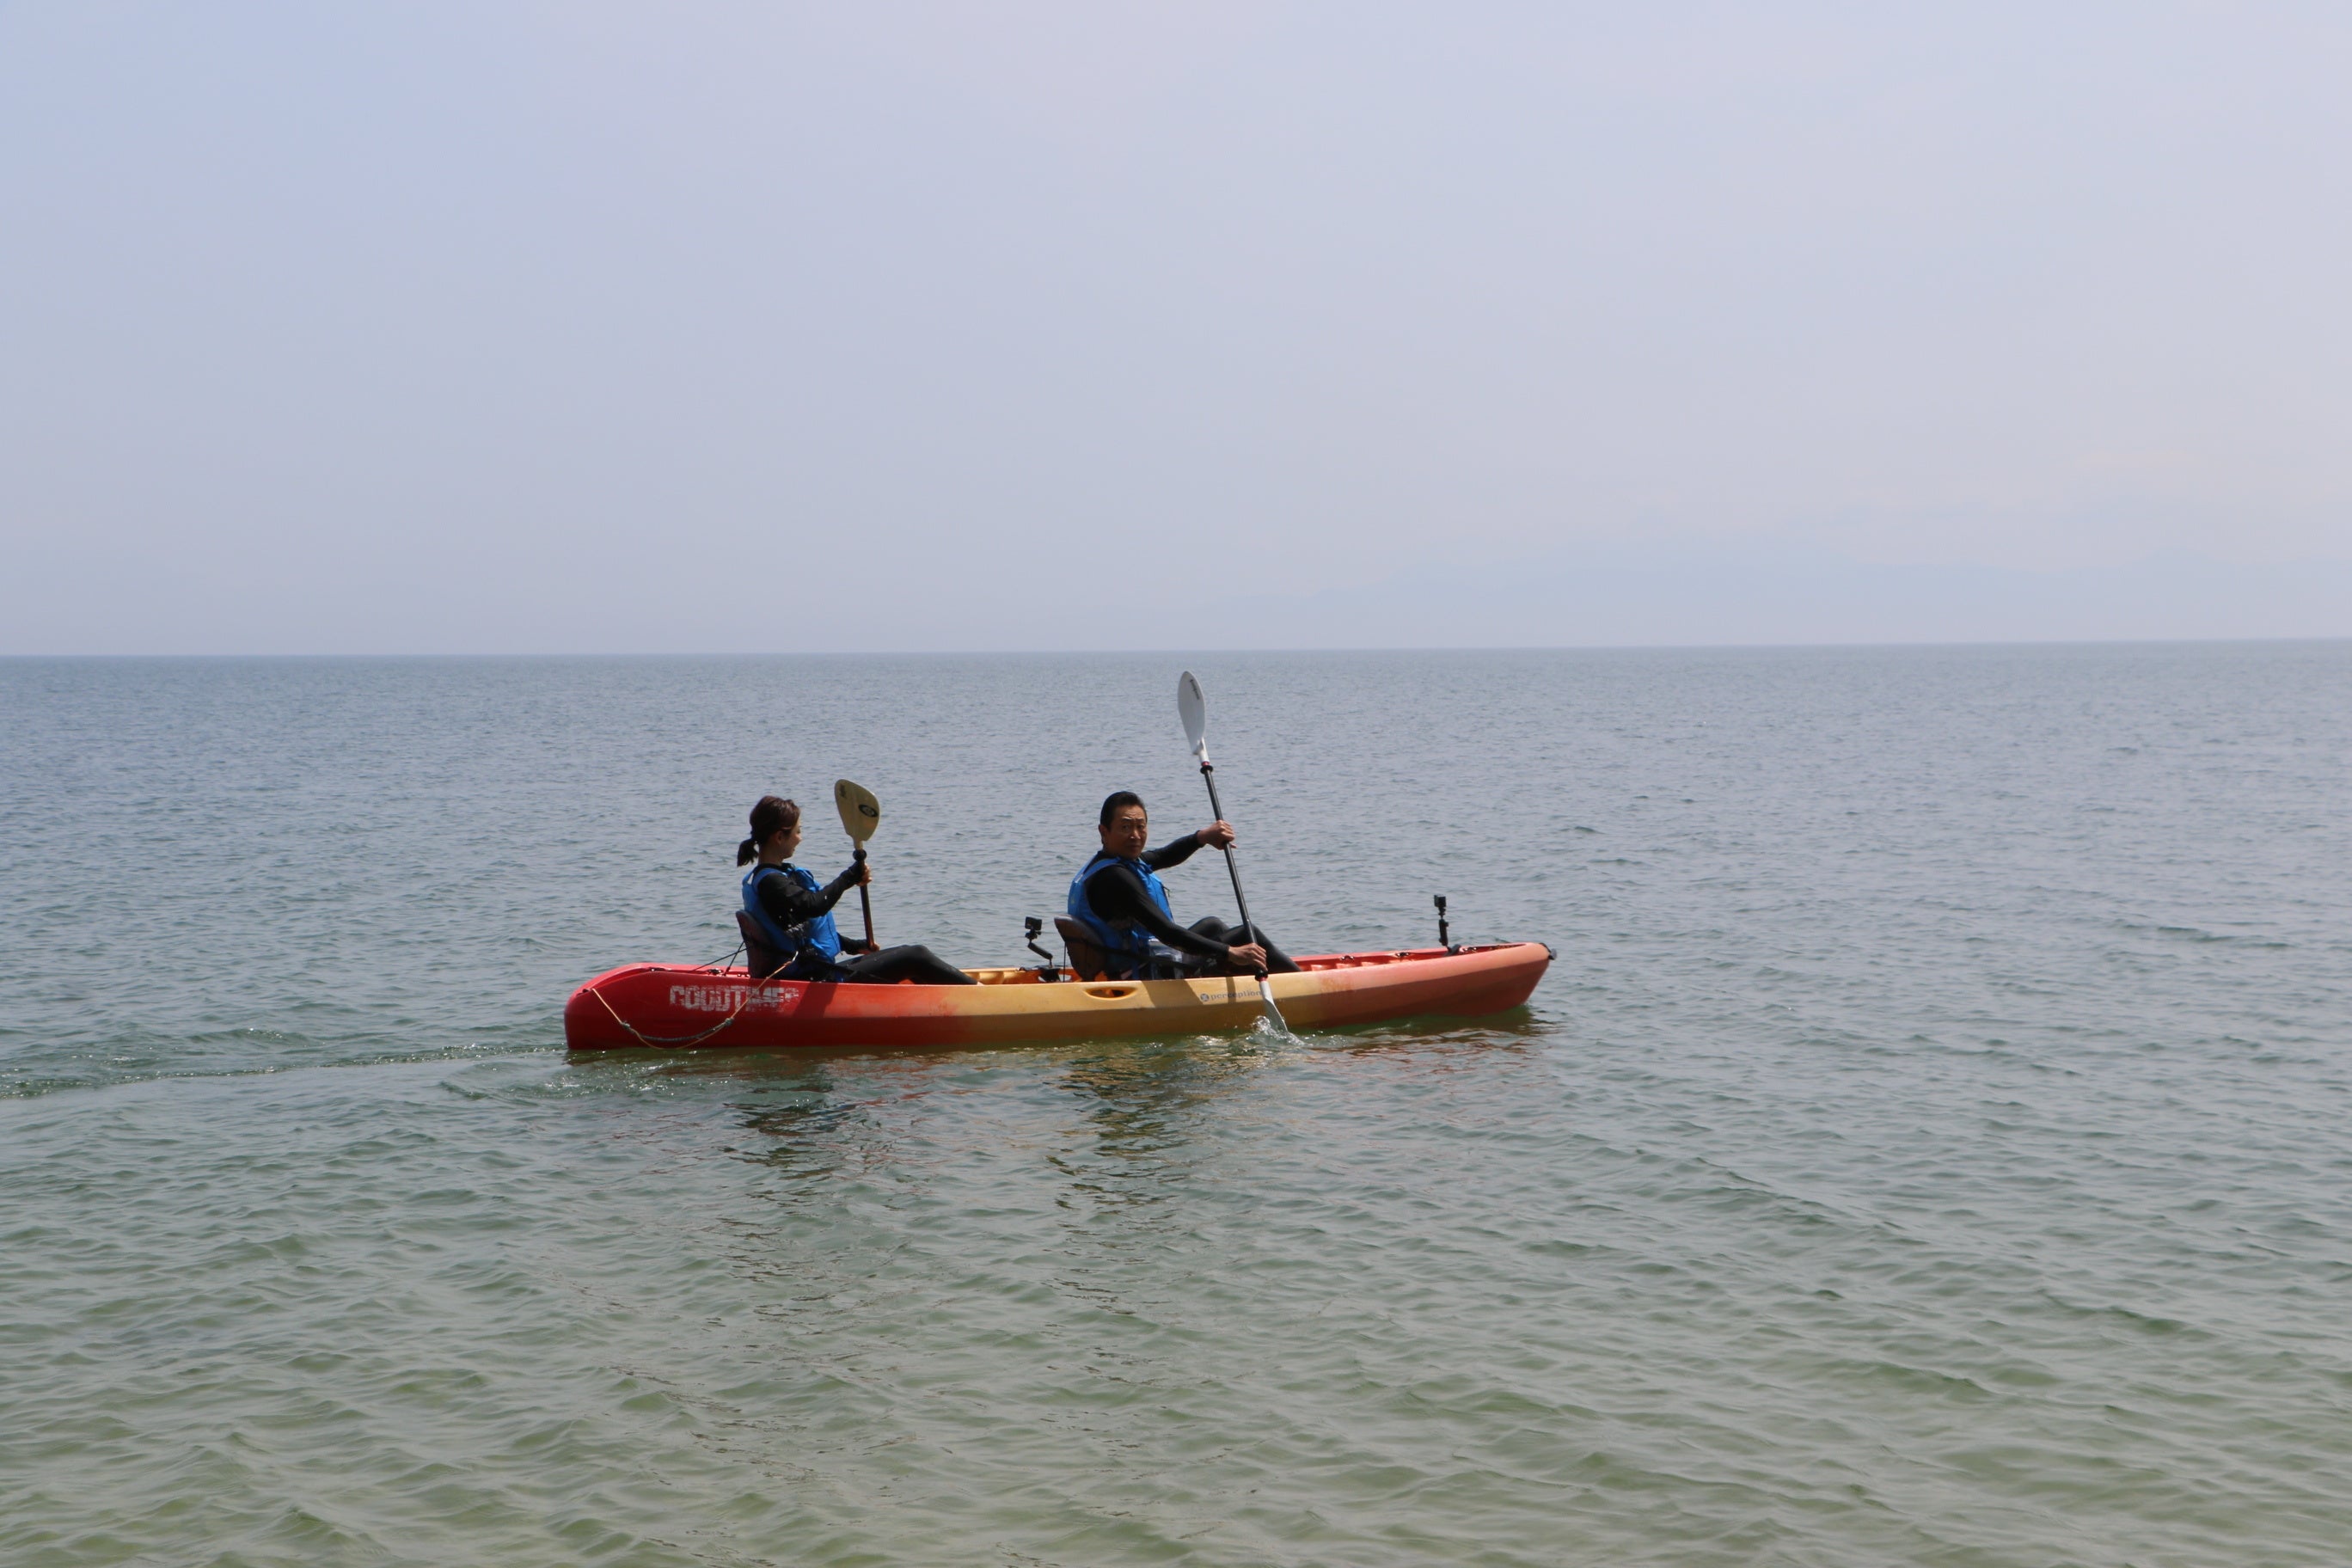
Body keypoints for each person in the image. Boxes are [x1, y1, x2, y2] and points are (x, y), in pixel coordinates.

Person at [736, 795, 977, 985]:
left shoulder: (764, 879)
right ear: (780, 837)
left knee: (905, 952)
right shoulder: (771, 882)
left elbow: (799, 933)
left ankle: (943, 996)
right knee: (916, 956)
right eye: (798, 831)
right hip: (817, 980)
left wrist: (853, 945)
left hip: (815, 973)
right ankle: (979, 995)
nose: (800, 838)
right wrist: (850, 877)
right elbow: (813, 905)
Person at [1067, 790, 1301, 981]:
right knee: (1249, 935)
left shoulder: (1109, 864)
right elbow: (1168, 933)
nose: (1136, 835)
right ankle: (1301, 984)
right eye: (1126, 827)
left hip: (1134, 962)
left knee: (1213, 925)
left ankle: (1240, 977)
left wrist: (1202, 837)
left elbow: (1162, 856)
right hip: (1146, 974)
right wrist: (1230, 952)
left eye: (1141, 826)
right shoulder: (1116, 878)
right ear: (1104, 831)